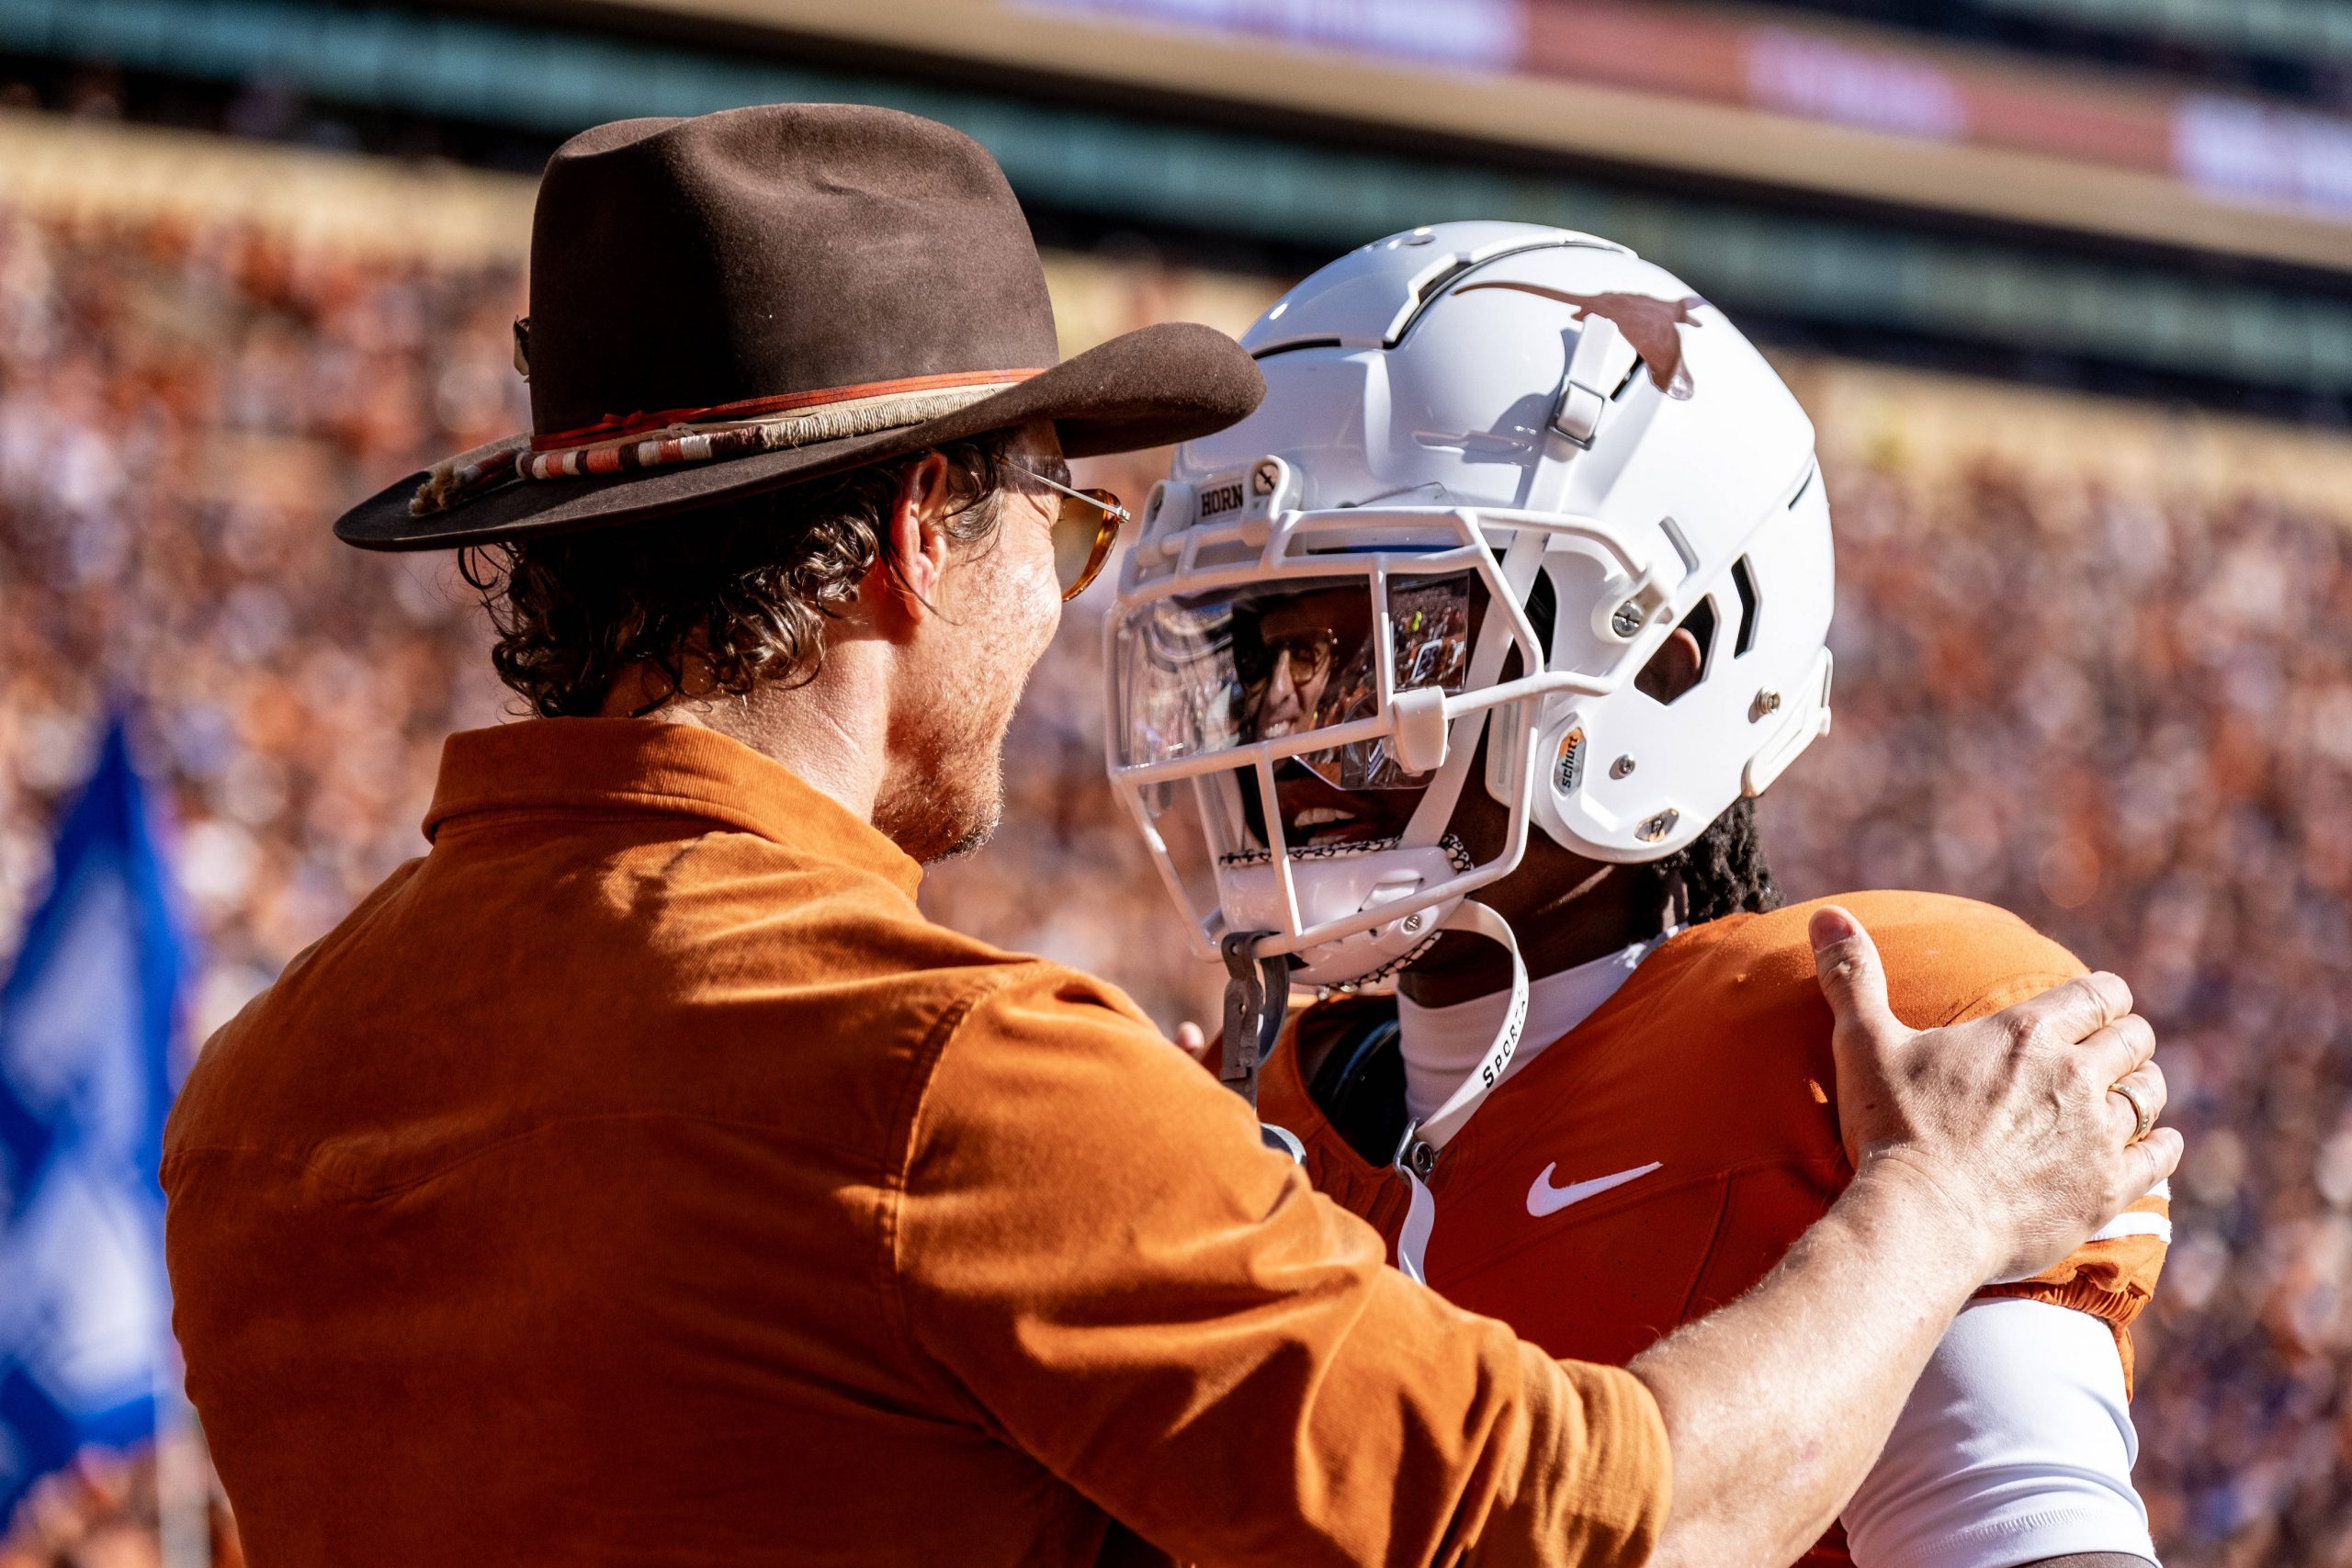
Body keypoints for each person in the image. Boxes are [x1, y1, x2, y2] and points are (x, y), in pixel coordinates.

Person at [161, 110, 2177, 1568]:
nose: (1290, 718)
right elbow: (1577, 1526)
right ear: (919, 534)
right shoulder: (949, 1078)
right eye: (1059, 527)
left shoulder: (258, 1089)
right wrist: (1936, 1209)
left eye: (1362, 641)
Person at [1105, 221, 2169, 1566]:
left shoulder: (1863, 1066)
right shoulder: (1267, 1121)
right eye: (1265, 660)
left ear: (1666, 659)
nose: (1297, 734)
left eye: (1384, 639)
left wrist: (1930, 1203)